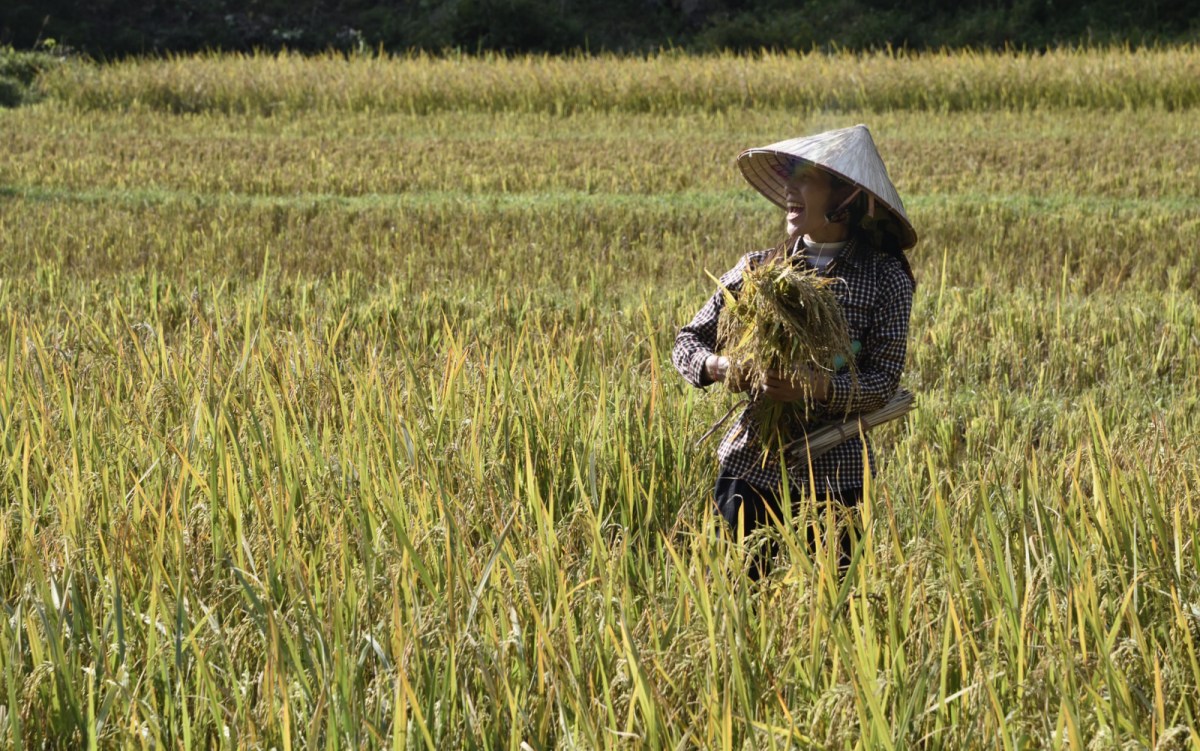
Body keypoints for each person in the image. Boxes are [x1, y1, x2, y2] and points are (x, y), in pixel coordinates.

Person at [672, 124, 917, 578]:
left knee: (831, 606)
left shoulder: (886, 280)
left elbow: (884, 381)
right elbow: (687, 341)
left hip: (836, 476)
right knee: (735, 601)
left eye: (805, 179)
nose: (789, 189)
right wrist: (724, 367)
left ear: (845, 198)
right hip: (751, 468)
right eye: (788, 177)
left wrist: (817, 387)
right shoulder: (759, 269)